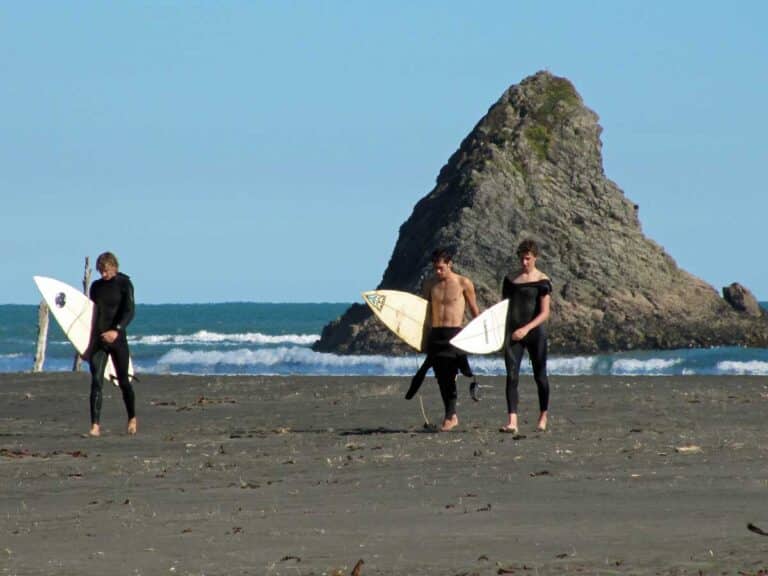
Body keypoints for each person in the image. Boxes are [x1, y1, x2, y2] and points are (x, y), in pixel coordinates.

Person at [417, 249, 480, 431]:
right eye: (435, 268)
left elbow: (474, 310)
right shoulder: (430, 284)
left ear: (449, 264)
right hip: (436, 333)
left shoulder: (463, 283)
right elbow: (423, 313)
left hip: (455, 334)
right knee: (441, 378)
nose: (438, 272)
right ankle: (450, 415)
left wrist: (484, 333)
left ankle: (451, 415)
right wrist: (420, 339)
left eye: (441, 268)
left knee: (453, 373)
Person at [500, 239, 552, 434]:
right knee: (512, 375)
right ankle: (512, 421)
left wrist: (526, 328)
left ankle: (543, 415)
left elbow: (545, 313)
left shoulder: (543, 281)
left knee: (540, 376)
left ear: (535, 258)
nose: (524, 263)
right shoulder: (510, 280)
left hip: (535, 333)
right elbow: (502, 308)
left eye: (527, 259)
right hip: (513, 333)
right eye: (521, 259)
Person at [86, 252, 137, 436]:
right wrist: (88, 342)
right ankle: (95, 426)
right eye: (101, 271)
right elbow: (90, 314)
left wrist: (116, 330)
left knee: (124, 381)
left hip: (117, 339)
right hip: (99, 340)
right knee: (96, 381)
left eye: (106, 270)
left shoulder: (124, 283)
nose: (104, 274)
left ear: (114, 267)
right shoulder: (96, 287)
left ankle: (132, 417)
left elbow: (130, 310)